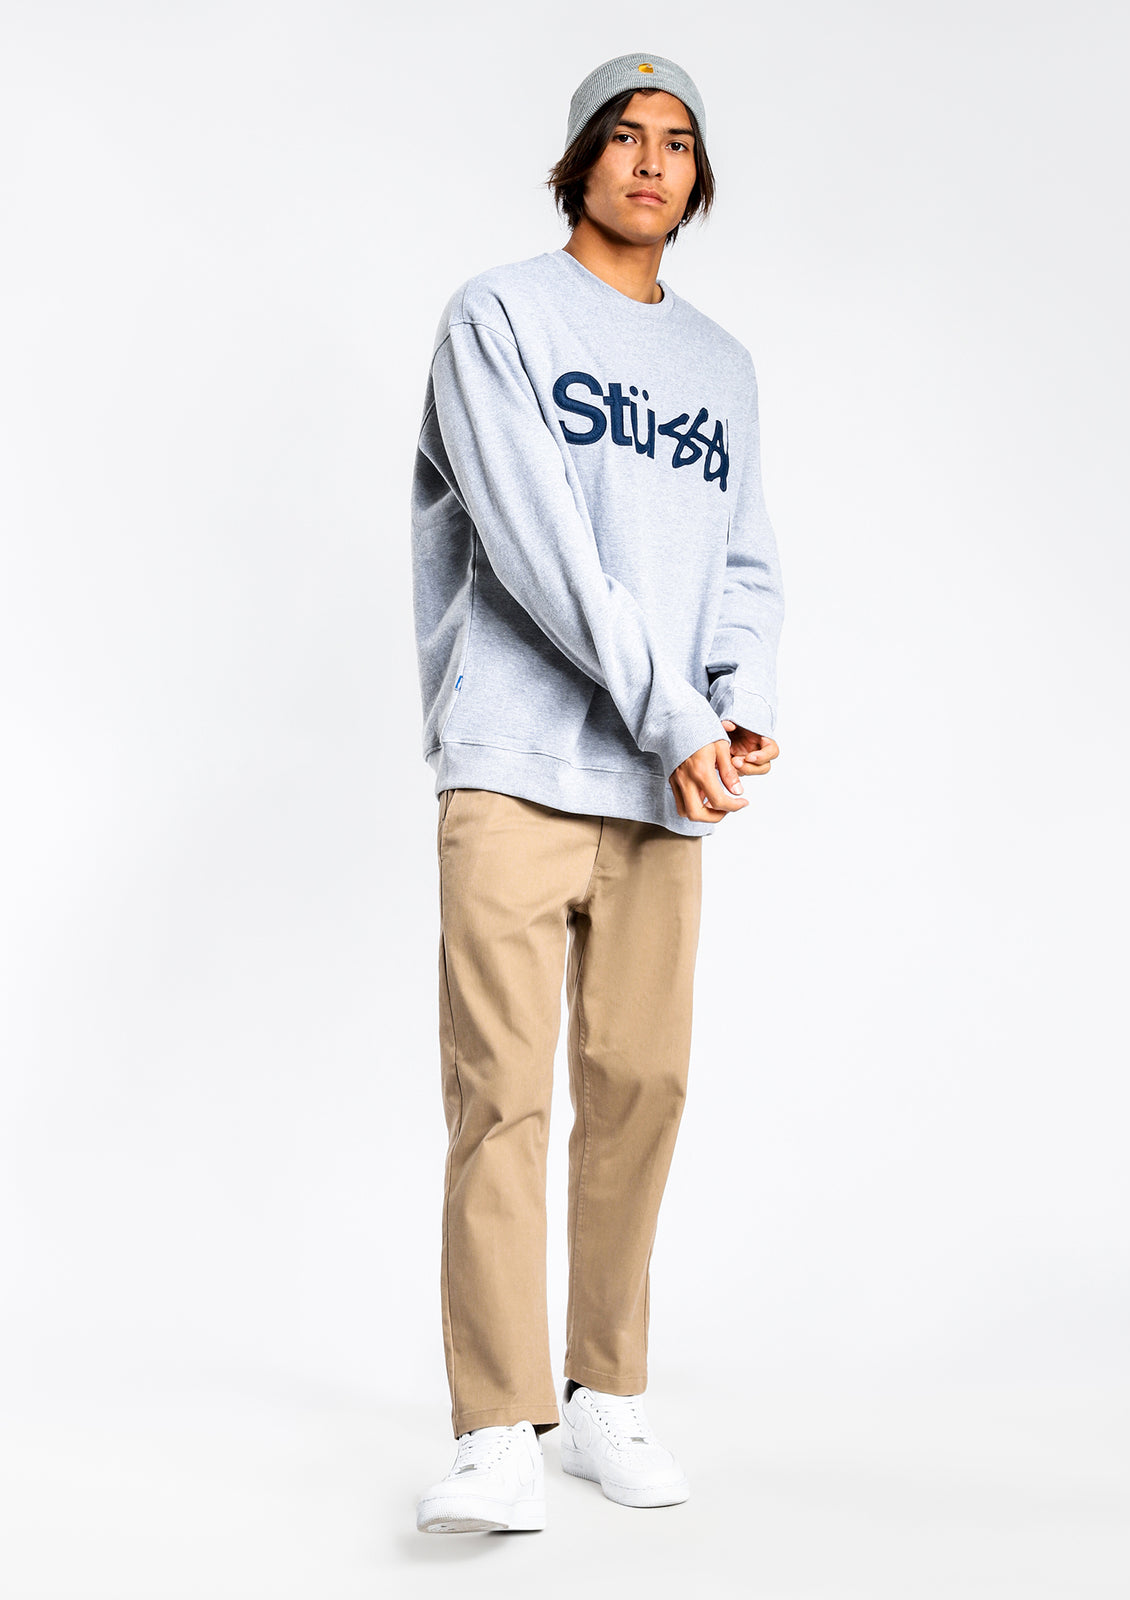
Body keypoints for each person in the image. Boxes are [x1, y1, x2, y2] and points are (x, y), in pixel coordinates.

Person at [410, 51, 785, 1534]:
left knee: (642, 1088)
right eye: (623, 137)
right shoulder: (497, 317)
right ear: (577, 162)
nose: (650, 160)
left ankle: (603, 1394)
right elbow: (538, 546)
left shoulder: (722, 366)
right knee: (500, 1095)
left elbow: (744, 556)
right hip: (515, 759)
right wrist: (674, 708)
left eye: (677, 142)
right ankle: (498, 1425)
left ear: (698, 179)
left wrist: (738, 701)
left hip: (664, 780)